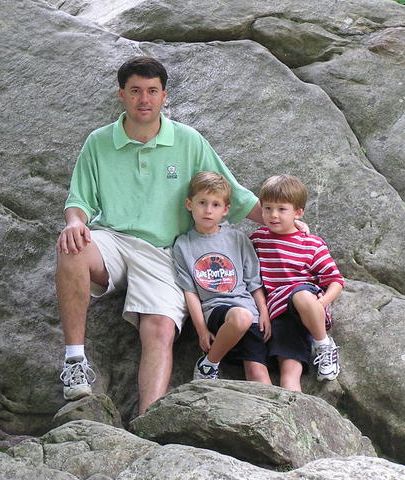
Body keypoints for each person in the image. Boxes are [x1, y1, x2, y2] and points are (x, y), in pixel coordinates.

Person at [55, 56, 265, 414]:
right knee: (72, 246)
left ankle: (146, 426)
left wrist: (281, 224)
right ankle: (75, 362)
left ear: (164, 96)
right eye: (135, 90)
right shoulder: (98, 142)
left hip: (167, 253)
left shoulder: (188, 141)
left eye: (152, 91)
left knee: (161, 331)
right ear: (121, 94)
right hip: (114, 241)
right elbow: (79, 202)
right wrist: (75, 222)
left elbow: (234, 194)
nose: (144, 99)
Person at [173, 172, 272, 384]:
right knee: (240, 317)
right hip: (217, 311)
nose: (208, 210)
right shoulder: (183, 245)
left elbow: (254, 282)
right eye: (202, 203)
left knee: (260, 377)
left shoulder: (237, 239)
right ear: (189, 204)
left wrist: (264, 312)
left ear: (226, 210)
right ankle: (208, 364)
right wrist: (201, 330)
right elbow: (190, 292)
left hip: (250, 312)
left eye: (216, 205)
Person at [250, 175, 344, 391]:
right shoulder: (258, 239)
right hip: (278, 313)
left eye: (282, 209)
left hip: (305, 303)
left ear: (298, 212)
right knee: (289, 372)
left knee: (301, 295)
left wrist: (319, 306)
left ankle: (323, 345)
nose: (273, 215)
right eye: (267, 208)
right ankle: (291, 415)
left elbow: (335, 281)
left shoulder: (311, 244)